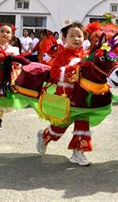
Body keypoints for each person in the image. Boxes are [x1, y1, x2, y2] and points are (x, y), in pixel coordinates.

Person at [35, 22, 91, 165]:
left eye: (79, 35)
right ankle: (44, 136)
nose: (76, 38)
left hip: (83, 98)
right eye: (72, 35)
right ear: (64, 38)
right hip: (66, 98)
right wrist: (75, 68)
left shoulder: (87, 55)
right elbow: (54, 74)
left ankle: (78, 153)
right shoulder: (62, 55)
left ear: (84, 38)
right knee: (58, 129)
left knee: (83, 124)